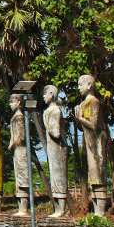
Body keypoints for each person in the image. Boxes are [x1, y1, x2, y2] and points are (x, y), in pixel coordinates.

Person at [75, 74, 109, 217]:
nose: (78, 88)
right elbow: (80, 127)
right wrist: (78, 118)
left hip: (97, 142)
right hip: (90, 143)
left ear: (89, 85)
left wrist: (80, 118)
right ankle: (96, 210)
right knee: (93, 177)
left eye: (80, 84)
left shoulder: (94, 101)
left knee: (98, 176)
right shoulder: (83, 104)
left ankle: (100, 212)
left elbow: (93, 125)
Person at [42, 85, 68, 217]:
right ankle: (57, 209)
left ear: (51, 94)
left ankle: (61, 209)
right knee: (54, 176)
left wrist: (45, 124)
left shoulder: (55, 111)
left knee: (59, 176)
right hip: (52, 148)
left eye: (45, 94)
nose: (43, 97)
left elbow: (56, 133)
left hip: (58, 147)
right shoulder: (48, 111)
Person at [7, 95, 30, 217]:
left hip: (21, 150)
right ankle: (21, 207)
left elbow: (22, 136)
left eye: (12, 102)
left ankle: (24, 209)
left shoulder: (20, 117)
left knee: (23, 178)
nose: (10, 104)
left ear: (19, 103)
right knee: (19, 178)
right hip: (17, 151)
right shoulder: (15, 117)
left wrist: (12, 144)